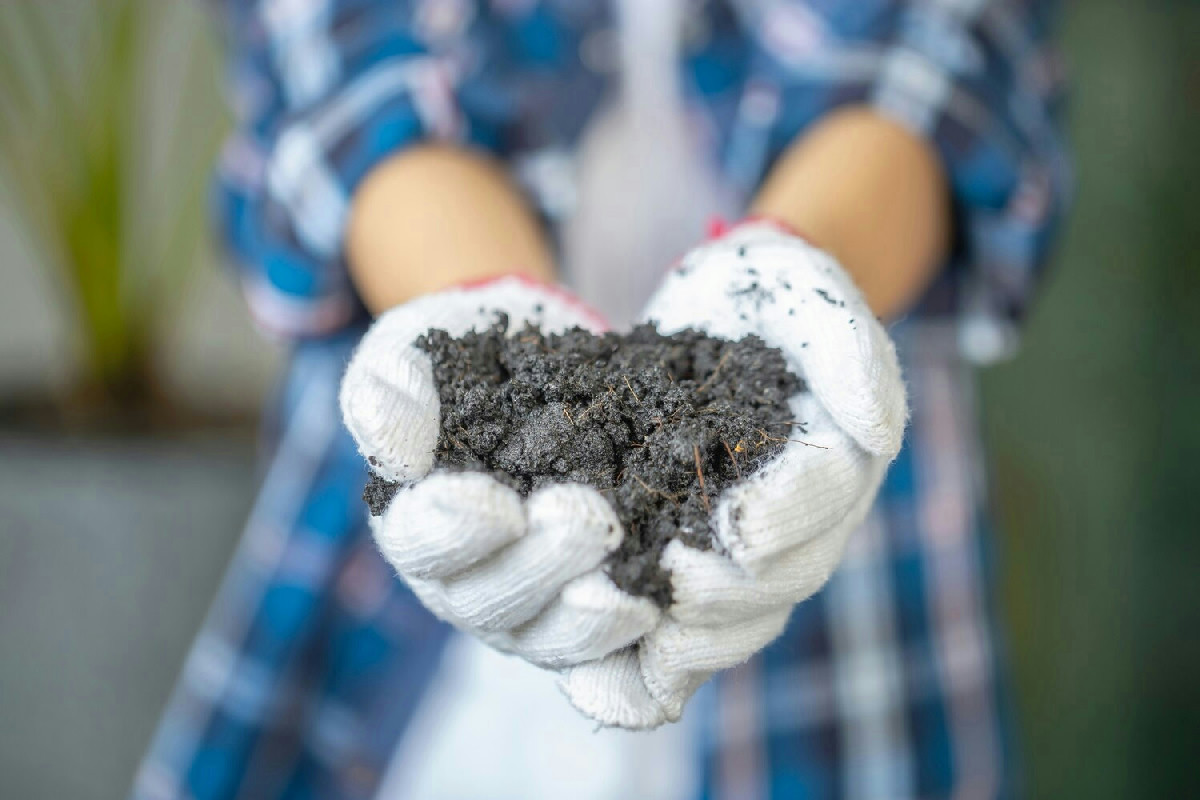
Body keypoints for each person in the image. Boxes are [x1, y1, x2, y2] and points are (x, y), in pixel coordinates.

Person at [133, 0, 1069, 797]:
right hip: (395, 586)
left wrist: (795, 283)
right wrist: (481, 323)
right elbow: (346, 87)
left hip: (844, 578)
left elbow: (943, 66)